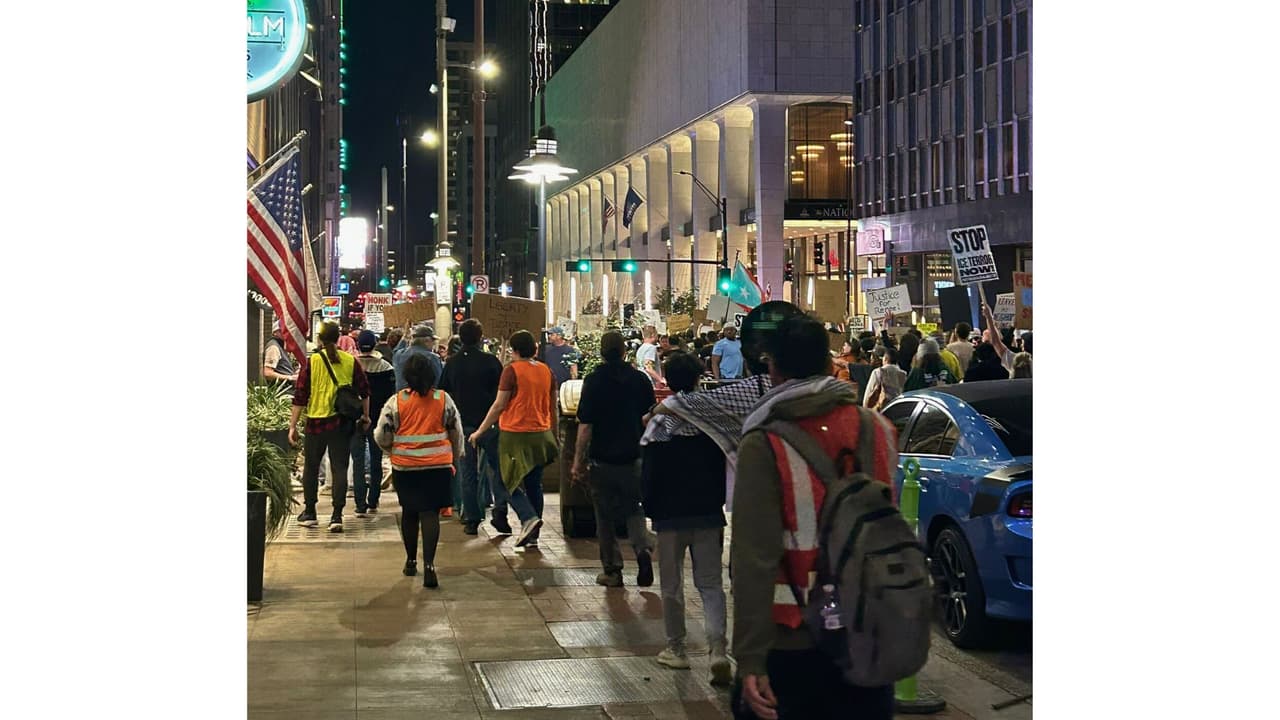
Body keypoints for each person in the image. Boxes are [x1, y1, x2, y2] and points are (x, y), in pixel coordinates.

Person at [730, 313, 899, 720]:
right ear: (828, 364)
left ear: (772, 368)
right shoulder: (877, 427)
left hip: (793, 641)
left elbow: (754, 557)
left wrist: (750, 658)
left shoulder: (764, 441)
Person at [641, 351, 730, 685]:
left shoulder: (659, 423)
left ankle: (676, 650)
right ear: (698, 378)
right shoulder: (713, 419)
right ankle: (718, 650)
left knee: (672, 585)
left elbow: (649, 472)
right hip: (707, 512)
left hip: (669, 516)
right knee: (710, 585)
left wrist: (650, 510)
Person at [572, 330, 657, 588]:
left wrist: (577, 461)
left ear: (601, 351)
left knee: (605, 516)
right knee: (634, 510)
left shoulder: (594, 380)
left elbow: (585, 425)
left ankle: (613, 570)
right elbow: (650, 415)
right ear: (624, 351)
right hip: (633, 456)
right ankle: (642, 549)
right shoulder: (640, 379)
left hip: (602, 459)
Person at [374, 354, 465, 588]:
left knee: (410, 513)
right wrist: (455, 456)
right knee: (430, 513)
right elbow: (456, 432)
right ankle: (430, 565)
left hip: (406, 467)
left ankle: (411, 560)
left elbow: (381, 434)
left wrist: (391, 450)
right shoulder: (443, 399)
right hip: (438, 466)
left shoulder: (397, 401)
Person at [469, 330, 559, 548]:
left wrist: (480, 431)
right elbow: (552, 406)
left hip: (515, 435)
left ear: (514, 350)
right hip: (541, 434)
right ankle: (533, 534)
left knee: (504, 481)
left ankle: (528, 518)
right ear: (535, 349)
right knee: (533, 484)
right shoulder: (547, 371)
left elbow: (499, 405)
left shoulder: (511, 371)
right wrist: (554, 435)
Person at [289, 322, 372, 533]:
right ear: (339, 338)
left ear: (320, 339)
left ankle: (310, 512)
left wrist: (292, 426)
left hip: (315, 423)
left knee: (311, 468)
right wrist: (365, 416)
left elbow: (300, 395)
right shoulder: (349, 361)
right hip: (341, 423)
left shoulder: (312, 361)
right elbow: (364, 391)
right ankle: (337, 516)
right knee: (340, 468)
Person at [439, 319, 510, 535]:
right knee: (497, 469)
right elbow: (502, 391)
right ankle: (499, 511)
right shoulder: (490, 362)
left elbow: (443, 392)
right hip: (489, 424)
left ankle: (471, 518)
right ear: (480, 337)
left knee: (467, 472)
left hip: (463, 425)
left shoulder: (452, 363)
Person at [352, 330, 395, 517]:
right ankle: (373, 500)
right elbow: (391, 397)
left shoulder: (351, 366)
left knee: (358, 461)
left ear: (358, 345)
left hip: (355, 420)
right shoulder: (386, 367)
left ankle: (360, 503)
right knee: (376, 461)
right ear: (375, 344)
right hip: (378, 420)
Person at [392, 322, 444, 393]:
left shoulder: (399, 355)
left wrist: (405, 337)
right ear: (426, 341)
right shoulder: (432, 358)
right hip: (424, 399)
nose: (434, 344)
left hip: (403, 398)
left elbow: (396, 350)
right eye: (433, 341)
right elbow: (438, 383)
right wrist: (437, 399)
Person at [863, 346, 908, 410]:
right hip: (897, 408)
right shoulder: (903, 374)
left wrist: (865, 408)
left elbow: (869, 392)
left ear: (886, 359)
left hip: (881, 409)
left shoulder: (878, 372)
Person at [262, 320, 299, 390]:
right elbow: (268, 373)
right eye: (283, 331)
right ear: (275, 332)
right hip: (281, 392)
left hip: (286, 390)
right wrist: (290, 377)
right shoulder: (273, 347)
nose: (287, 333)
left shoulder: (281, 345)